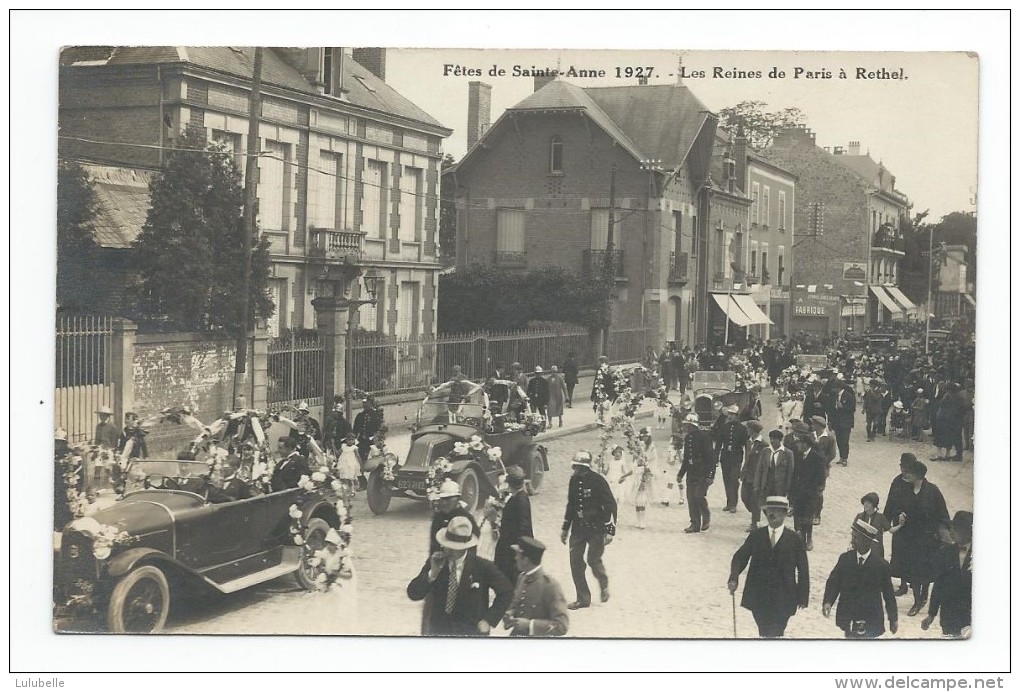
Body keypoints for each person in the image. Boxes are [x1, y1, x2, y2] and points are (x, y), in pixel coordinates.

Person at [407, 516, 513, 637]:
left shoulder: (482, 567)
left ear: (465, 547)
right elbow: (413, 593)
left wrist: (489, 620)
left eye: (455, 547)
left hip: (470, 632)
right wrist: (432, 574)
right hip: (440, 631)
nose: (449, 550)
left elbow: (506, 591)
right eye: (447, 545)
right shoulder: (436, 562)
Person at [728, 496, 810, 638]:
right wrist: (734, 577)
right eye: (770, 510)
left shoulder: (794, 539)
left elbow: (803, 569)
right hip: (759, 595)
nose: (773, 514)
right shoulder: (757, 536)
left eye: (778, 511)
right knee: (765, 630)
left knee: (775, 631)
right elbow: (740, 557)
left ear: (785, 514)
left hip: (784, 596)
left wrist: (803, 596)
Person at [887, 458, 950, 616]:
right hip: (909, 537)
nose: (906, 474)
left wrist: (942, 534)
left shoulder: (932, 491)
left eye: (910, 473)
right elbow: (897, 506)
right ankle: (916, 601)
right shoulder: (905, 489)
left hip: (928, 539)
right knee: (913, 572)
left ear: (919, 475)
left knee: (926, 572)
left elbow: (943, 514)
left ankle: (923, 597)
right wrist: (899, 514)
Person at [822, 519, 899, 639]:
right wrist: (828, 601)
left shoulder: (881, 565)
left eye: (856, 537)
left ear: (867, 541)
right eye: (853, 536)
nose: (852, 540)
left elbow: (889, 594)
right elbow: (833, 582)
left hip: (871, 617)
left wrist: (893, 618)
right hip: (848, 615)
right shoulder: (845, 559)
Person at [561, 450, 617, 610]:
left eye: (577, 467)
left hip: (596, 528)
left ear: (585, 467)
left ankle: (603, 582)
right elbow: (571, 504)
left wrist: (609, 530)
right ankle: (583, 598)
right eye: (574, 466)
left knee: (593, 560)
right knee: (575, 562)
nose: (575, 470)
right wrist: (565, 528)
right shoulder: (573, 481)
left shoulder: (598, 481)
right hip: (578, 529)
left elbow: (610, 505)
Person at [502, 537, 570, 637]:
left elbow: (562, 626)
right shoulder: (522, 578)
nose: (515, 558)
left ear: (526, 559)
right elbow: (517, 605)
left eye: (518, 555)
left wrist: (530, 625)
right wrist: (510, 613)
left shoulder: (550, 586)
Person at [922, 510, 973, 638]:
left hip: (971, 617)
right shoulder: (946, 552)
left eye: (955, 529)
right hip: (949, 615)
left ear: (967, 531)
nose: (951, 532)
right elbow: (939, 584)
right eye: (951, 528)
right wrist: (931, 614)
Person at [494, 466, 533, 585]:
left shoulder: (521, 500)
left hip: (514, 547)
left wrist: (520, 547)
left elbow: (524, 526)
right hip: (509, 544)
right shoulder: (517, 497)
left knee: (511, 577)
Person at [678, 413, 716, 534]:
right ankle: (694, 524)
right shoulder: (688, 438)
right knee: (690, 498)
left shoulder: (704, 437)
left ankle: (706, 516)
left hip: (702, 472)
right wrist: (681, 474)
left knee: (699, 496)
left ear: (693, 426)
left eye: (687, 425)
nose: (686, 428)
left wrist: (710, 475)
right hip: (691, 472)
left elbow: (711, 458)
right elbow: (686, 458)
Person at [789, 432, 826, 551]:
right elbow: (793, 474)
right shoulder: (796, 455)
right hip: (797, 492)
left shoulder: (816, 457)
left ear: (805, 444)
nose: (797, 446)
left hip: (810, 494)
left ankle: (808, 537)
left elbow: (820, 477)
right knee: (797, 514)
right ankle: (799, 537)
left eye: (799, 443)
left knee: (807, 517)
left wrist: (811, 489)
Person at [428, 479, 480, 556]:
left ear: (458, 498)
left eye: (448, 499)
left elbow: (472, 548)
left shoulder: (467, 519)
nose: (444, 503)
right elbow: (434, 546)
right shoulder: (438, 517)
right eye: (442, 499)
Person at [715, 404, 748, 514]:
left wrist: (747, 460)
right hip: (725, 457)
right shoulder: (724, 427)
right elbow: (719, 444)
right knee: (726, 480)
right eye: (729, 414)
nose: (730, 416)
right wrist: (716, 457)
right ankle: (729, 503)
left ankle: (734, 503)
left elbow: (746, 444)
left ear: (737, 416)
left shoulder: (742, 429)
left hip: (736, 457)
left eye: (733, 414)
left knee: (734, 480)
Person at [739, 420, 766, 528]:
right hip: (747, 475)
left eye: (748, 428)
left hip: (756, 477)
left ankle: (754, 523)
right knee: (744, 497)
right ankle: (756, 512)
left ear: (753, 430)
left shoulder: (763, 444)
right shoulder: (748, 442)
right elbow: (747, 458)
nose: (746, 430)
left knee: (755, 500)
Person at [809, 415, 836, 525]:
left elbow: (832, 454)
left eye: (813, 424)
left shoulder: (829, 437)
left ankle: (817, 514)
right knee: (810, 490)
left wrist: (822, 463)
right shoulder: (811, 436)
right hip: (810, 468)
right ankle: (810, 512)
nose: (811, 426)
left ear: (818, 426)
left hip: (822, 470)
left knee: (818, 492)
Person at [855, 492, 893, 561]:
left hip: (876, 550)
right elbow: (854, 532)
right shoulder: (859, 516)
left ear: (874, 505)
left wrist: (900, 525)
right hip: (860, 549)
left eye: (869, 502)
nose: (866, 504)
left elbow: (891, 530)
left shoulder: (880, 517)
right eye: (865, 502)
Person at [829, 374, 856, 466]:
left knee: (845, 440)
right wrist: (830, 421)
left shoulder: (848, 396)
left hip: (846, 422)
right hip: (837, 422)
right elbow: (831, 410)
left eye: (835, 387)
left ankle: (845, 458)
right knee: (839, 440)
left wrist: (843, 407)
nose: (834, 389)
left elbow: (852, 409)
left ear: (839, 388)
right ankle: (841, 457)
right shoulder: (834, 395)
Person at [352, 396, 385, 464]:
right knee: (360, 458)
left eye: (366, 403)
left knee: (372, 459)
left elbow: (379, 429)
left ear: (371, 403)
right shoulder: (360, 415)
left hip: (371, 442)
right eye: (363, 403)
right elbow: (355, 430)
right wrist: (354, 440)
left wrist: (375, 439)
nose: (364, 405)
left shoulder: (375, 415)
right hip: (361, 441)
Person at [603, 445, 634, 514]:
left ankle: (617, 511)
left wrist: (622, 478)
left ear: (621, 454)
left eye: (619, 452)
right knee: (612, 496)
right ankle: (612, 511)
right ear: (613, 453)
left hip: (619, 482)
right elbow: (606, 473)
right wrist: (601, 466)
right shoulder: (610, 462)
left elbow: (627, 473)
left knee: (619, 498)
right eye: (616, 452)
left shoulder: (622, 462)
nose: (617, 454)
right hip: (611, 481)